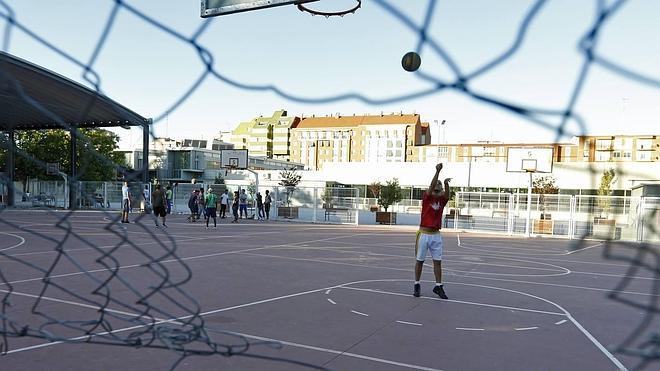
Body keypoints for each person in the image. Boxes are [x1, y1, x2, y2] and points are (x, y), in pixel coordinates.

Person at [413, 163, 451, 299]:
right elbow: (431, 186)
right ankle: (417, 284)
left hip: (436, 235)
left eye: (439, 185)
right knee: (420, 261)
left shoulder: (442, 200)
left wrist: (446, 184)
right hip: (423, 234)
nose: (438, 185)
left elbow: (447, 194)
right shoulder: (427, 197)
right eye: (437, 184)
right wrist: (437, 172)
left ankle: (438, 286)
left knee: (438, 262)